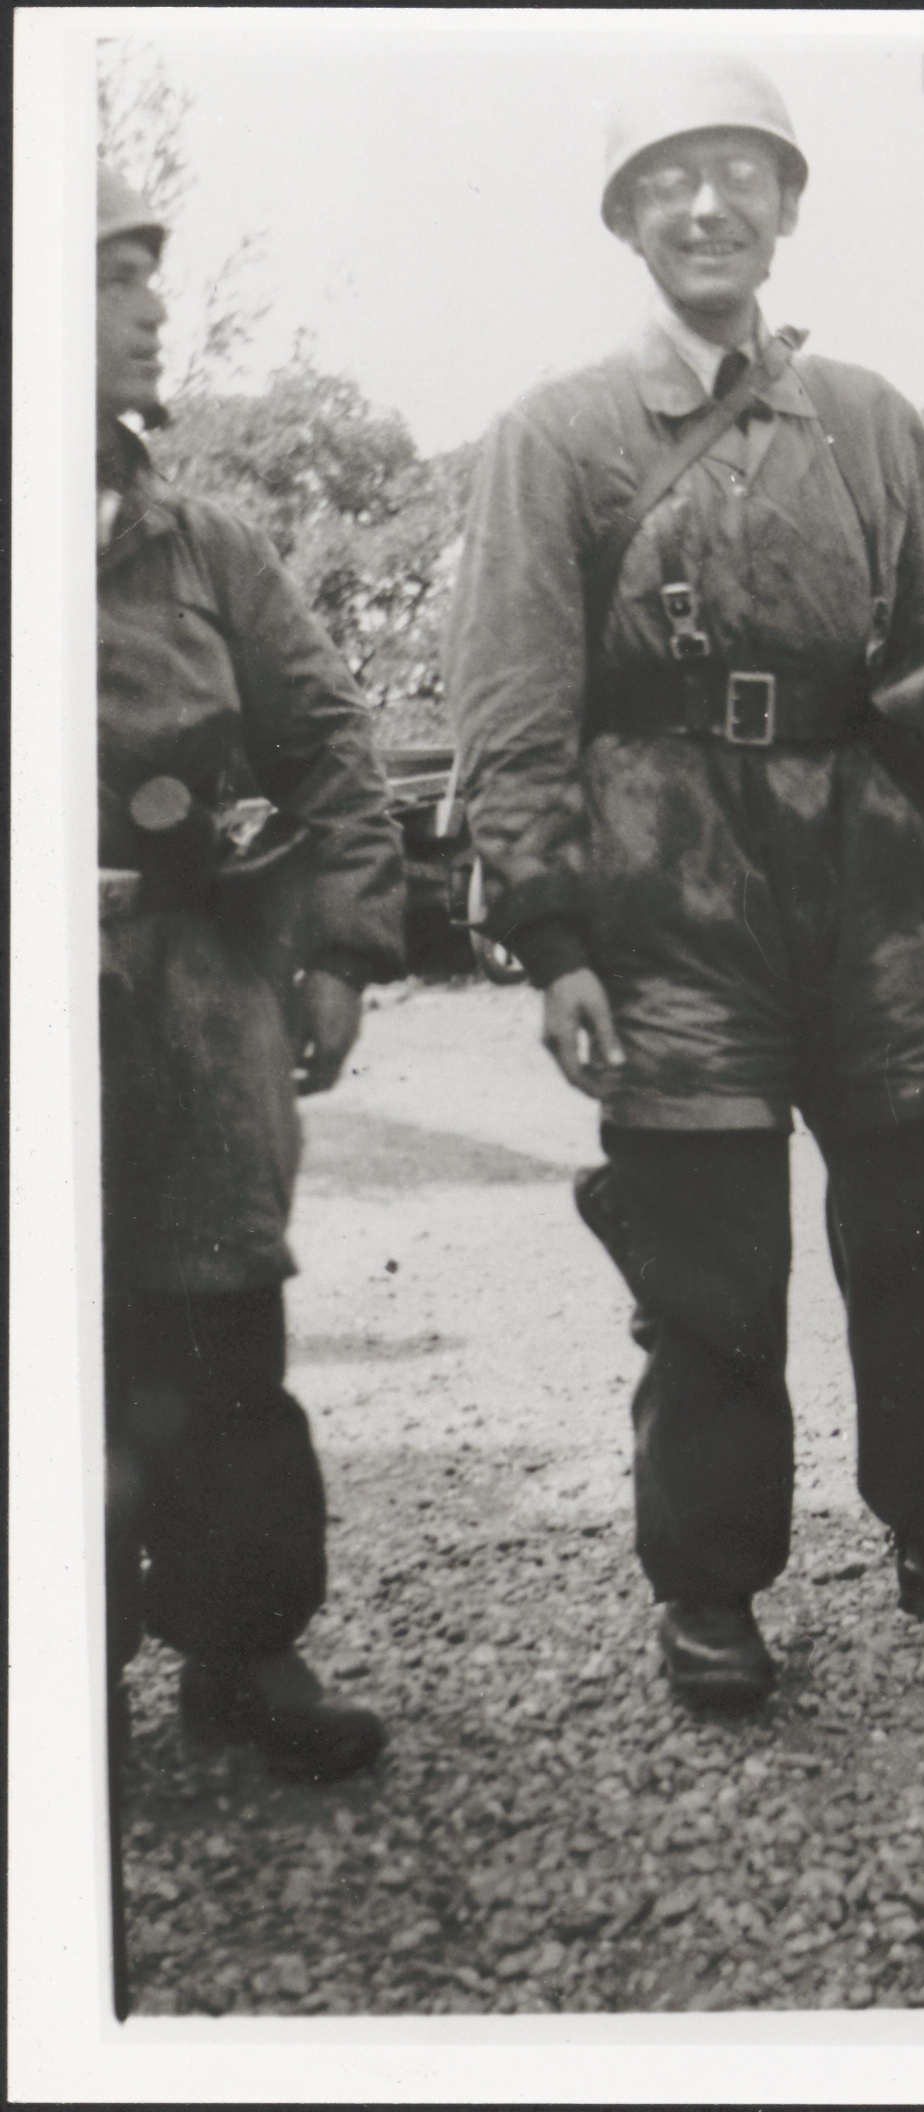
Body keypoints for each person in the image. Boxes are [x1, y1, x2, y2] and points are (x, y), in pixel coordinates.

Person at [448, 55, 924, 1711]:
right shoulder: (556, 437)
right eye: (670, 178)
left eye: (744, 172)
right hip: (669, 899)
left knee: (917, 1231)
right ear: (625, 218)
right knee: (710, 1273)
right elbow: (513, 704)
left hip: (870, 887)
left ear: (790, 205)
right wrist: (553, 932)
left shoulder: (869, 422)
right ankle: (713, 1588)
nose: (710, 204)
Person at [97, 168, 406, 1783]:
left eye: (151, 274)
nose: (153, 308)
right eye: (110, 278)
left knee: (221, 1335)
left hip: (196, 993)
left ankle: (245, 1647)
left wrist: (344, 943)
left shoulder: (199, 543)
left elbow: (330, 740)